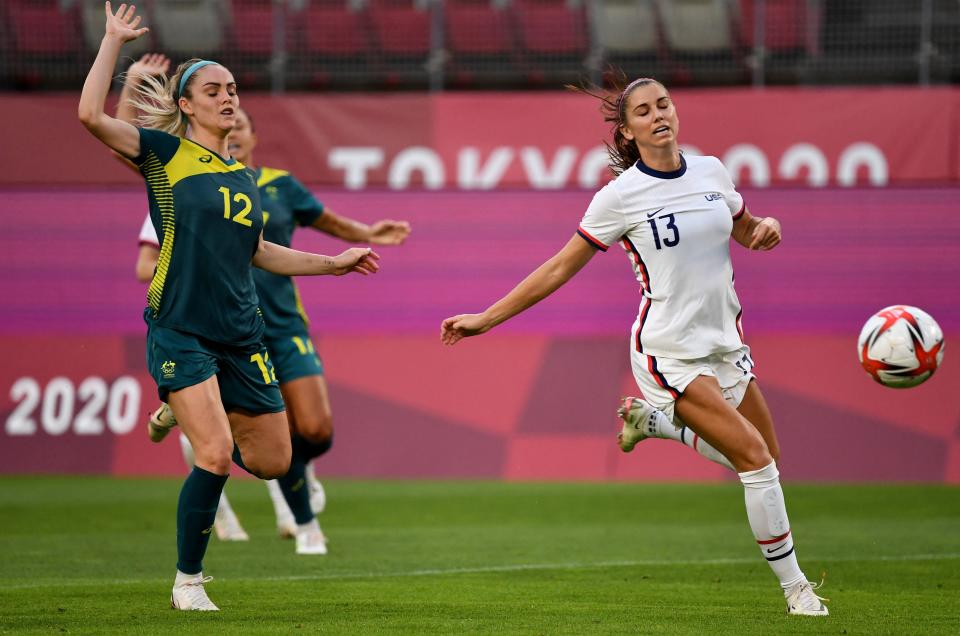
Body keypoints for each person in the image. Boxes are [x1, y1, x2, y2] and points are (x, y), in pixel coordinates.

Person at [440, 77, 828, 617]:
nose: (658, 115)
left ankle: (657, 425)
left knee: (768, 457)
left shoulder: (712, 171)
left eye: (663, 104)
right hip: (667, 351)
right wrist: (487, 318)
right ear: (627, 130)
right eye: (643, 111)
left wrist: (768, 227)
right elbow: (558, 267)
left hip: (725, 343)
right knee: (757, 463)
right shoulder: (620, 197)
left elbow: (745, 228)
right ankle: (798, 591)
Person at [79, 2, 379, 611]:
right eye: (213, 90)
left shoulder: (242, 178)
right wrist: (112, 42)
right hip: (181, 327)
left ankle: (175, 416)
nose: (228, 98)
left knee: (273, 460)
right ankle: (187, 583)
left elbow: (260, 252)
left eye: (233, 89)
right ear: (186, 105)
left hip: (242, 335)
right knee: (214, 455)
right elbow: (89, 115)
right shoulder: (163, 154)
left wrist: (334, 262)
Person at [131, 99, 411, 550]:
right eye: (226, 116)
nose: (234, 126)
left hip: (279, 325)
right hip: (210, 327)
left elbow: (322, 224)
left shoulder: (271, 185)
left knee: (313, 431)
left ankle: (287, 475)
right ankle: (302, 527)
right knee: (231, 442)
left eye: (241, 120)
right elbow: (116, 142)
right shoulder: (181, 183)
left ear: (255, 137)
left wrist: (366, 236)